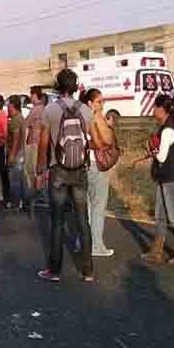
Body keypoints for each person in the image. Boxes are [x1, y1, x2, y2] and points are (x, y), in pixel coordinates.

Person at [35, 68, 99, 283]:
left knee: (57, 221)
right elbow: (94, 141)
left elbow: (43, 144)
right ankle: (88, 271)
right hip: (80, 171)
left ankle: (54, 271)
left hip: (58, 171)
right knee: (82, 220)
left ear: (57, 86)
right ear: (75, 86)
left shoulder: (50, 110)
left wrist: (40, 171)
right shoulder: (86, 110)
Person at [142, 94, 174, 266]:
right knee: (160, 215)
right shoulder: (168, 127)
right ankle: (156, 251)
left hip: (172, 178)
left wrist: (152, 151)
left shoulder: (168, 130)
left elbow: (162, 157)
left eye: (155, 107)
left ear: (162, 109)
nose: (153, 110)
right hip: (166, 177)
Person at [82, 88, 117, 258]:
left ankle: (83, 241)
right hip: (96, 165)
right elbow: (105, 142)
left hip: (82, 165)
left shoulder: (80, 116)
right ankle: (96, 245)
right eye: (99, 101)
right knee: (98, 207)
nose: (102, 104)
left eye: (103, 101)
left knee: (86, 206)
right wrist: (108, 126)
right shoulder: (95, 117)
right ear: (90, 103)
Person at [24, 86, 48, 212]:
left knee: (32, 173)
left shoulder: (36, 109)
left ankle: (35, 199)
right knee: (41, 173)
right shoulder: (44, 109)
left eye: (31, 95)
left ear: (34, 95)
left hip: (34, 145)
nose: (30, 97)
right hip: (41, 144)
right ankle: (43, 198)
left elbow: (25, 124)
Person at [5, 95, 27, 212]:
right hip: (21, 153)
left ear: (13, 106)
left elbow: (16, 138)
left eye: (9, 106)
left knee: (14, 181)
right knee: (19, 180)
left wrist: (12, 155)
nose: (7, 108)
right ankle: (20, 203)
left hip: (17, 154)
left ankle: (15, 204)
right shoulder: (20, 117)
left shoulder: (15, 120)